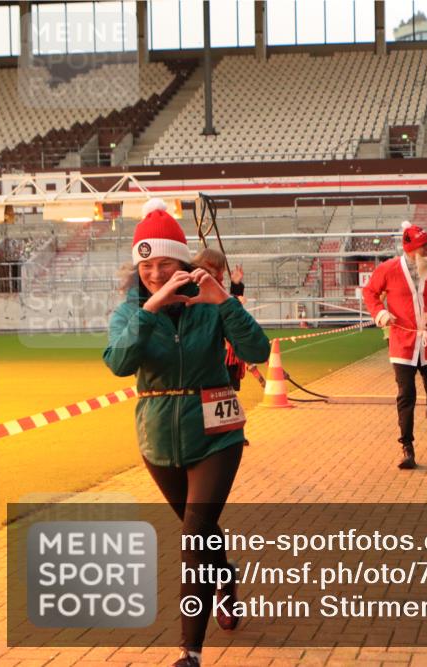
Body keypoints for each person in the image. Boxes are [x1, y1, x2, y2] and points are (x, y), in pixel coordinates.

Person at [103, 199, 270, 667]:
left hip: (217, 434)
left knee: (194, 535)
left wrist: (225, 301)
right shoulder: (129, 312)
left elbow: (255, 347)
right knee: (200, 531)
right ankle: (225, 577)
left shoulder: (210, 304)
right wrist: (151, 309)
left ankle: (189, 652)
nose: (155, 273)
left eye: (165, 264)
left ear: (183, 262)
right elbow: (119, 363)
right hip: (158, 440)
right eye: (147, 265)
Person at [362, 221, 427, 470]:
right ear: (410, 249)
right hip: (402, 344)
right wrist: (380, 314)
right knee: (406, 396)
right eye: (424, 247)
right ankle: (407, 446)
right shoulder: (388, 269)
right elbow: (370, 293)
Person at [191, 248, 247, 390]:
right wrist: (235, 300)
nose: (222, 276)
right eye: (220, 271)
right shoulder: (197, 288)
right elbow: (218, 309)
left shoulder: (213, 286)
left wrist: (235, 288)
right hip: (204, 363)